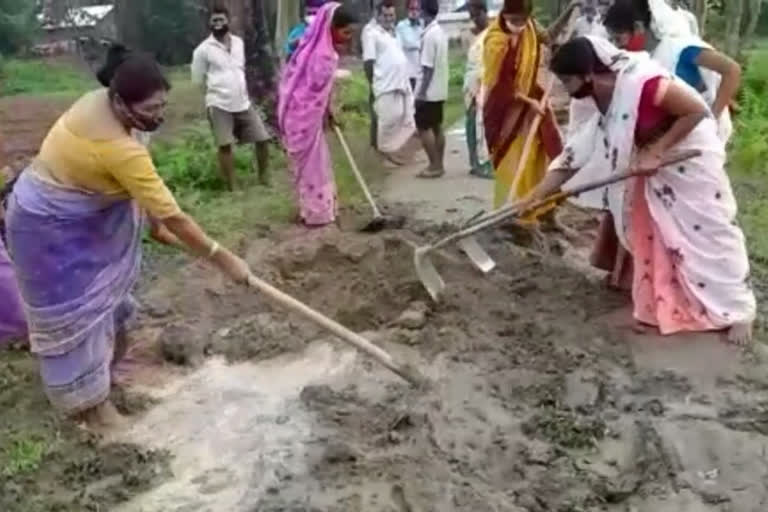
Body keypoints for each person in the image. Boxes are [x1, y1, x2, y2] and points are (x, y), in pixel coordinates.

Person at [4, 54, 251, 428]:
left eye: (163, 105)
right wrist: (225, 259)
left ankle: (105, 385)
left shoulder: (109, 106)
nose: (159, 115)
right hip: (48, 230)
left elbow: (150, 201)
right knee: (79, 317)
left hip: (81, 218)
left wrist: (155, 224)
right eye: (151, 108)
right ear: (120, 101)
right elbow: (175, 216)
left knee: (114, 307)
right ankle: (90, 410)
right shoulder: (114, 144)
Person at [521, 36, 755, 345]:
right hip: (652, 167)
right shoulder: (601, 100)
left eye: (567, 79)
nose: (565, 87)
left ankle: (738, 311)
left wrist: (658, 150)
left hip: (689, 160)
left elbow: (695, 111)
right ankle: (673, 307)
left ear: (588, 73)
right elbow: (575, 155)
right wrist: (536, 196)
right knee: (661, 235)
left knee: (709, 235)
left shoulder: (642, 83)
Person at [482, 0, 578, 209]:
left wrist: (570, 10)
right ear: (505, 14)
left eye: (524, 20)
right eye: (515, 20)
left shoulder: (530, 26)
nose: (520, 24)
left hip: (532, 104)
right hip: (508, 112)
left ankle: (544, 210)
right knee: (514, 163)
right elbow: (499, 86)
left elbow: (549, 36)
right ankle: (512, 213)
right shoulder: (496, 42)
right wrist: (528, 102)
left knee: (539, 159)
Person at [604, 0, 737, 142]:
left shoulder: (680, 50)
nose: (617, 46)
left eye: (618, 39)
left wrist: (712, 119)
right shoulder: (642, 58)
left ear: (638, 27)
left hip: (707, 135)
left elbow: (732, 70)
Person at [278, 3, 358, 228]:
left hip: (299, 116)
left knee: (313, 166)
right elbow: (313, 94)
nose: (348, 38)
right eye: (346, 32)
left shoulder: (311, 47)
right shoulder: (325, 56)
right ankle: (318, 215)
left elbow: (317, 93)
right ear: (331, 27)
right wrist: (325, 110)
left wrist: (327, 109)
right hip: (304, 118)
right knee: (314, 167)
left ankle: (314, 209)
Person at [191, 5, 271, 190]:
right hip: (219, 103)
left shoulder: (238, 43)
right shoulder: (203, 50)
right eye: (214, 21)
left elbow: (240, 69)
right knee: (225, 145)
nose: (218, 23)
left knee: (262, 138)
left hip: (242, 101)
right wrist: (210, 99)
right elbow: (198, 80)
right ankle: (232, 186)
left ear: (228, 21)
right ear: (209, 24)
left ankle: (264, 178)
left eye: (221, 19)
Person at [362, 0, 416, 163]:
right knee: (386, 119)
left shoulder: (393, 32)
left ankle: (390, 149)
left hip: (400, 82)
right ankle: (382, 152)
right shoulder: (371, 32)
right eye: (385, 15)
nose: (388, 18)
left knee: (404, 118)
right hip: (383, 84)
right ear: (377, 15)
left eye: (391, 15)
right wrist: (373, 84)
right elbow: (368, 62)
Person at [414, 0, 449, 179]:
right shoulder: (439, 32)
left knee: (423, 127)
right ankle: (439, 164)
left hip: (429, 91)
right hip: (440, 88)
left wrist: (421, 93)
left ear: (423, 11)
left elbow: (428, 68)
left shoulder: (429, 36)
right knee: (436, 126)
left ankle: (434, 165)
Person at [464, 0, 493, 179]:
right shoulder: (475, 36)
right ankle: (475, 163)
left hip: (485, 87)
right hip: (471, 88)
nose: (474, 19)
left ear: (484, 12)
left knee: (484, 126)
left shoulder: (492, 34)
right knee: (471, 125)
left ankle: (486, 164)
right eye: (471, 16)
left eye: (476, 15)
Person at [396, 0, 424, 91]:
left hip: (421, 72)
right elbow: (407, 43)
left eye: (417, 9)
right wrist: (419, 44)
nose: (414, 11)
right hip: (408, 73)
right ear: (407, 9)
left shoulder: (422, 25)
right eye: (412, 8)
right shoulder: (401, 26)